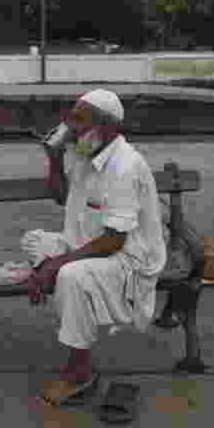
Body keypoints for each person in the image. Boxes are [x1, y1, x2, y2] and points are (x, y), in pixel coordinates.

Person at [29, 89, 168, 407]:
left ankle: (80, 372)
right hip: (91, 241)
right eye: (71, 118)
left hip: (130, 257)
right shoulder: (85, 151)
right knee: (35, 242)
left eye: (79, 119)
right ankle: (74, 310)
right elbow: (61, 197)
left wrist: (55, 265)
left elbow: (114, 240)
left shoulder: (124, 165)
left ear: (108, 126)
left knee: (71, 276)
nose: (70, 125)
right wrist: (53, 158)